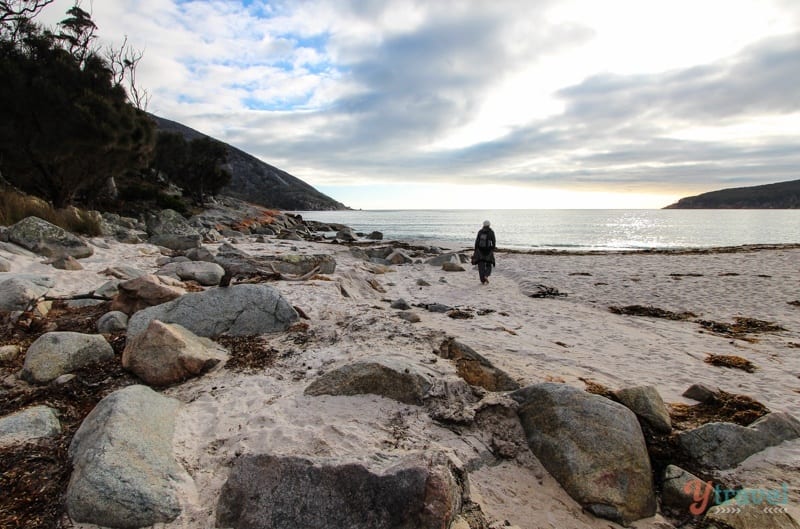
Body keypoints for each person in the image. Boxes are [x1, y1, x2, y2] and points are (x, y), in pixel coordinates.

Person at [473, 220, 496, 284]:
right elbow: (494, 241)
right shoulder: (491, 232)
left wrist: (475, 250)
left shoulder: (480, 232)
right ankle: (486, 275)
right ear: (489, 225)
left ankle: (482, 280)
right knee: (489, 264)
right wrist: (493, 248)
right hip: (488, 251)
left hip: (480, 250)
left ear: (483, 225)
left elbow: (477, 241)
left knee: (481, 265)